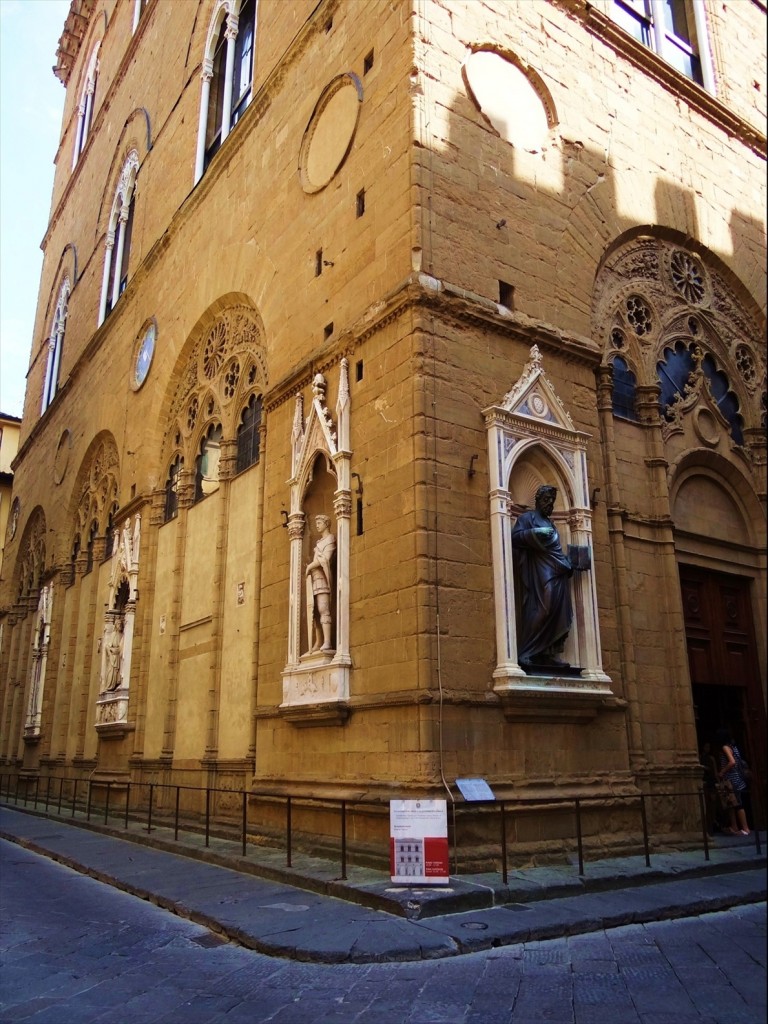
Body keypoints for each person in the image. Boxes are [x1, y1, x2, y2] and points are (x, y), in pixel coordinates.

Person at [511, 484, 574, 670]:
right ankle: (527, 651)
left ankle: (547, 653)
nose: (549, 504)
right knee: (544, 608)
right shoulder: (527, 518)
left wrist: (568, 562)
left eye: (552, 501)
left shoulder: (552, 524)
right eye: (546, 500)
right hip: (540, 573)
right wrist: (536, 532)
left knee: (557, 610)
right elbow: (516, 538)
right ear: (538, 500)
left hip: (558, 573)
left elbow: (557, 551)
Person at [305, 514, 336, 653]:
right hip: (314, 579)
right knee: (315, 613)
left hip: (323, 579)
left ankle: (327, 641)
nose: (317, 525)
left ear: (326, 524)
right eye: (316, 523)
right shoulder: (319, 542)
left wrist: (310, 566)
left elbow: (326, 558)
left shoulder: (330, 539)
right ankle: (319, 641)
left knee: (323, 608)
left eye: (319, 523)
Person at [714, 727, 750, 836]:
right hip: (735, 778)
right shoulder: (734, 747)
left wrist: (722, 772)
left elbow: (732, 762)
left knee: (738, 804)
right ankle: (734, 826)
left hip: (732, 779)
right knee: (731, 803)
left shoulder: (725, 747)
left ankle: (745, 829)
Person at [104, 618, 124, 691]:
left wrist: (119, 650)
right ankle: (109, 686)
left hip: (119, 656)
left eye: (121, 624)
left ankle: (116, 685)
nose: (120, 625)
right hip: (113, 657)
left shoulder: (122, 635)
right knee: (111, 672)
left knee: (117, 673)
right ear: (115, 625)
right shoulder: (113, 634)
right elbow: (107, 646)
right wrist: (111, 651)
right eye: (118, 624)